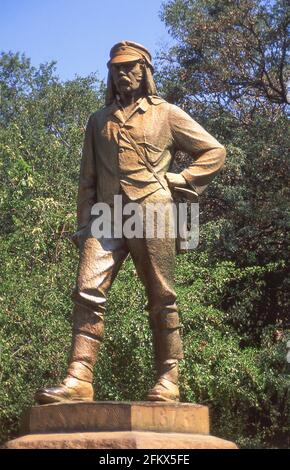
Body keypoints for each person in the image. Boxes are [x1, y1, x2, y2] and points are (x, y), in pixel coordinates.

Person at [35, 40, 226, 404]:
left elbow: (214, 151)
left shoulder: (166, 114)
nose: (122, 73)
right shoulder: (98, 120)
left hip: (152, 211)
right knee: (86, 291)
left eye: (130, 66)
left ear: (145, 71)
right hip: (105, 217)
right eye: (116, 68)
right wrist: (83, 224)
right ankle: (79, 378)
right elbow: (86, 179)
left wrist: (182, 179)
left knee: (161, 295)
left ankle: (169, 378)